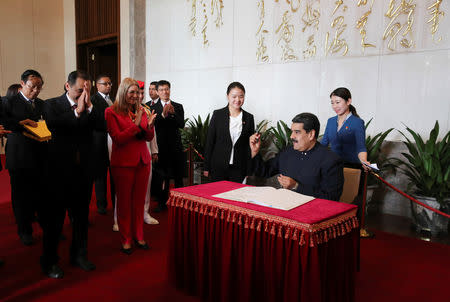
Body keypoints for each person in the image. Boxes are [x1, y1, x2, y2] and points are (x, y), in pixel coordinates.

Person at [43, 70, 97, 278]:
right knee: (55, 221)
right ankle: (50, 261)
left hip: (83, 173)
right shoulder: (51, 105)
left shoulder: (91, 105)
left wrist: (89, 107)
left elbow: (101, 125)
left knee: (81, 218)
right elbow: (54, 125)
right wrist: (77, 111)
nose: (82, 94)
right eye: (78, 90)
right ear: (67, 86)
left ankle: (79, 255)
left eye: (86, 90)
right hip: (58, 173)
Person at [105, 78, 156, 254]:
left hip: (143, 160)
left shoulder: (142, 110)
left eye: (137, 93)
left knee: (139, 202)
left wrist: (149, 126)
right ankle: (126, 238)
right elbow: (118, 139)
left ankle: (139, 236)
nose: (136, 96)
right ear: (123, 92)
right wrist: (136, 124)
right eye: (132, 92)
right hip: (123, 163)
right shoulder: (111, 112)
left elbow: (148, 137)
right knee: (125, 203)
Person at [250, 113, 344, 201]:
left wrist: (296, 186)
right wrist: (255, 152)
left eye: (297, 132)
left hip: (311, 212)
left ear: (311, 134)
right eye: (292, 132)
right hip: (284, 206)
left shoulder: (331, 160)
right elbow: (264, 172)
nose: (291, 136)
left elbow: (331, 198)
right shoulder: (288, 152)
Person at [2, 70, 47, 246]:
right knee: (21, 195)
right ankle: (24, 230)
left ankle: (46, 227)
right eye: (32, 87)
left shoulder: (43, 104)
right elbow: (4, 123)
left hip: (40, 155)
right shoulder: (9, 102)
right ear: (22, 84)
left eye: (39, 87)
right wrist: (21, 125)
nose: (35, 91)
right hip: (19, 155)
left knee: (41, 194)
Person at [204, 82, 255, 183]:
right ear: (227, 96)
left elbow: (249, 146)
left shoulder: (249, 118)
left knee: (235, 196)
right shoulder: (218, 114)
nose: (237, 100)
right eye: (234, 96)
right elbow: (210, 141)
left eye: (241, 96)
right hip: (218, 166)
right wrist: (206, 167)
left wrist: (249, 169)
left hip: (239, 167)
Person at [150, 80, 185, 212]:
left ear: (170, 90)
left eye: (167, 89)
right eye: (162, 90)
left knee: (178, 177)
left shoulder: (178, 106)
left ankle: (181, 203)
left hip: (175, 147)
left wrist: (173, 113)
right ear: (157, 92)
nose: (165, 92)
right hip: (160, 148)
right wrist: (163, 115)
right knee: (162, 178)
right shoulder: (152, 107)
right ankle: (162, 203)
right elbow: (153, 125)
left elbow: (181, 124)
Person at [321, 87, 369, 168]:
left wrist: (364, 161)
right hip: (333, 166)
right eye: (332, 103)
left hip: (351, 167)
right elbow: (323, 144)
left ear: (348, 101)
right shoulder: (331, 121)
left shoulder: (357, 122)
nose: (335, 106)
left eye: (338, 102)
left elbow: (361, 147)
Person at [91, 74, 114, 215]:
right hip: (99, 142)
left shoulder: (112, 100)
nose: (108, 86)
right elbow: (96, 121)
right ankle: (101, 205)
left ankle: (114, 202)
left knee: (114, 175)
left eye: (110, 83)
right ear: (97, 85)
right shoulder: (93, 100)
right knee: (100, 176)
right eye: (105, 83)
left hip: (113, 142)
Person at [138, 81, 159, 225]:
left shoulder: (146, 109)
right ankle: (118, 218)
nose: (138, 96)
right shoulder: (120, 109)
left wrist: (154, 150)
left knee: (146, 185)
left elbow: (153, 131)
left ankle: (144, 212)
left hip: (145, 152)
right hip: (127, 154)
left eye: (141, 93)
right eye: (134, 92)